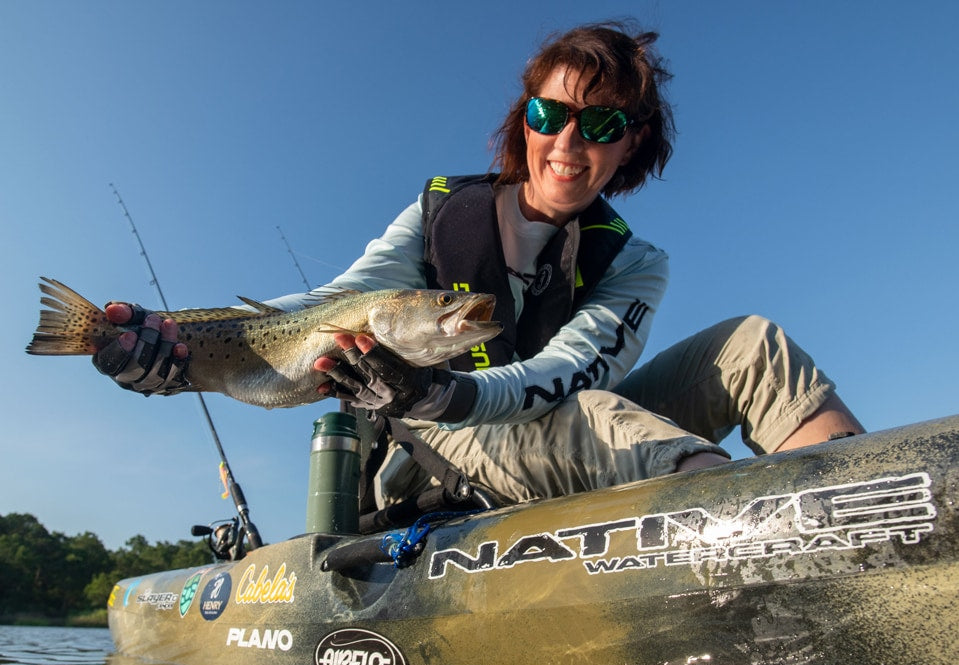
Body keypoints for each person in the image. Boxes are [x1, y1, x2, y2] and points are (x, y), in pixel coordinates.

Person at [93, 21, 864, 511]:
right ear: (522, 120)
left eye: (599, 124)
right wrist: (175, 341)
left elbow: (570, 372)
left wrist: (447, 384)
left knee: (752, 344)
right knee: (596, 419)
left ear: (632, 144)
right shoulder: (434, 213)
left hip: (511, 403)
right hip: (441, 441)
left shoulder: (635, 262)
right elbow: (334, 300)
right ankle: (738, 519)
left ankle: (856, 515)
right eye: (548, 114)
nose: (567, 142)